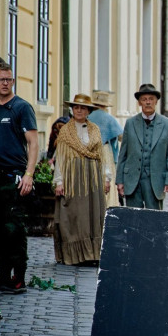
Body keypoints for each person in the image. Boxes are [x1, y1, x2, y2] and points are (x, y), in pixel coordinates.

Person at [0, 63, 39, 292]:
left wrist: (29, 174)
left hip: (14, 177)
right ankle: (2, 275)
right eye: (1, 79)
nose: (5, 83)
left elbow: (33, 143)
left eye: (9, 79)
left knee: (14, 229)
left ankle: (18, 276)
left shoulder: (21, 108)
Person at [52, 94, 110, 266]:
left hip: (92, 177)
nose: (79, 110)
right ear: (72, 109)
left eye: (83, 108)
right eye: (76, 107)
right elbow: (60, 158)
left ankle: (92, 254)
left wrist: (106, 177)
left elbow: (102, 155)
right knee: (74, 215)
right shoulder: (65, 131)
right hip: (73, 178)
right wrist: (59, 181)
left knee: (93, 215)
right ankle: (74, 255)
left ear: (88, 111)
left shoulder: (95, 130)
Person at [116, 83, 168, 210]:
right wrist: (120, 180)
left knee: (154, 219)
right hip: (132, 179)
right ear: (139, 103)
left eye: (151, 99)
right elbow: (123, 153)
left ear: (156, 101)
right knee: (133, 218)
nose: (147, 102)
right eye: (144, 99)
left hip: (155, 179)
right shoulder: (130, 123)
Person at [88, 91, 123, 207]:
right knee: (107, 181)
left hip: (88, 150)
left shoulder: (88, 116)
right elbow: (121, 136)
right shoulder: (108, 118)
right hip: (104, 150)